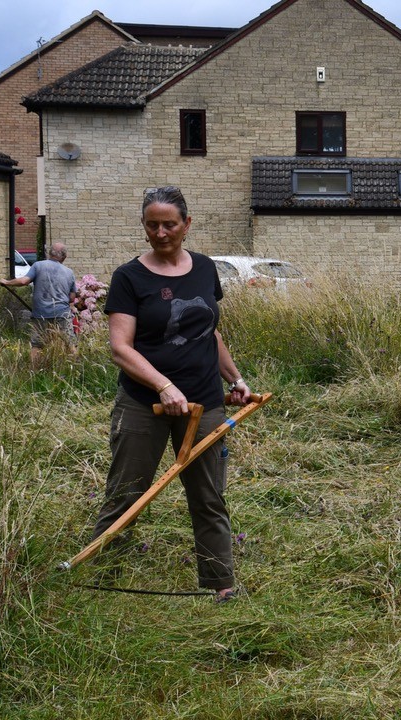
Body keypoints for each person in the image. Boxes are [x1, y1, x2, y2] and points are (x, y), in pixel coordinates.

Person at [92, 186, 252, 604]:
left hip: (205, 402)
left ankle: (222, 586)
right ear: (144, 227)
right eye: (152, 225)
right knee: (128, 492)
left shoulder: (203, 269)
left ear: (187, 224)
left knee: (208, 496)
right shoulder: (129, 277)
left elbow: (208, 331)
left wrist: (234, 379)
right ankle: (101, 578)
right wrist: (163, 385)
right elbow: (120, 348)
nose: (160, 233)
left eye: (169, 224)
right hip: (144, 404)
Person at [0, 242, 78, 367]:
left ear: (49, 253)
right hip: (62, 314)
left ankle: (34, 373)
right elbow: (72, 298)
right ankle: (74, 371)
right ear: (64, 257)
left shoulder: (38, 266)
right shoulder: (69, 272)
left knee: (37, 345)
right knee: (70, 344)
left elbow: (24, 281)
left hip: (41, 314)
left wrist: (7, 282)